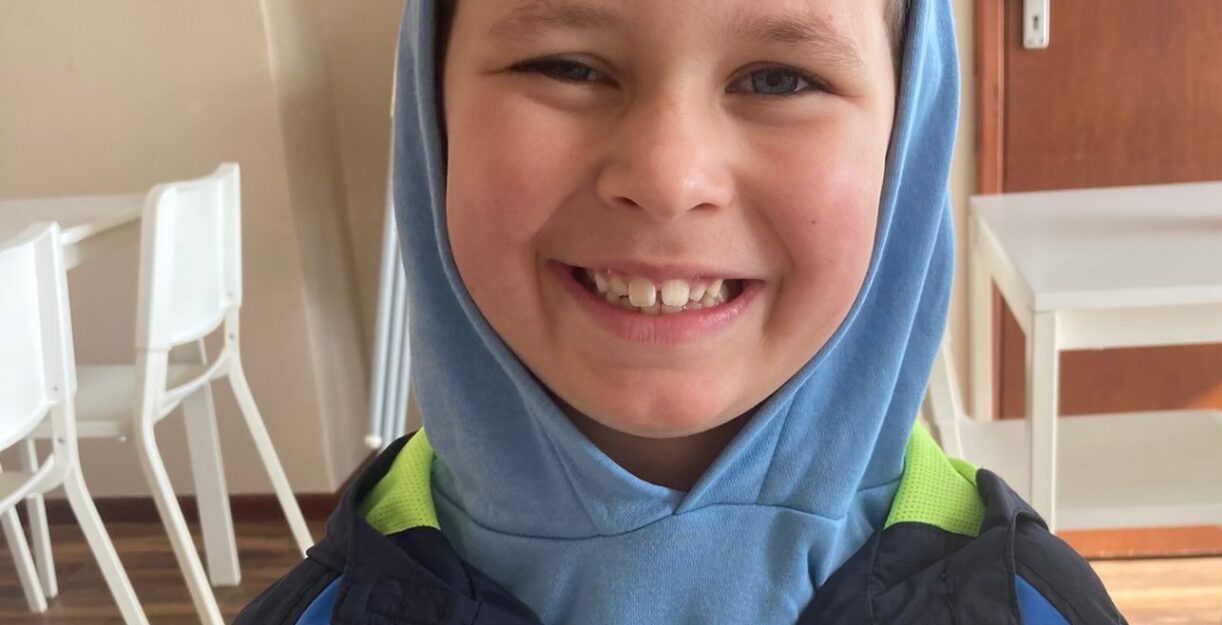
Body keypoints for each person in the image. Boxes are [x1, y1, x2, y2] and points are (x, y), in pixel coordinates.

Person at [237, 0, 1126, 623]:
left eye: (779, 78)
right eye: (567, 65)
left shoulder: (1033, 606)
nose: (667, 176)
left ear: (908, 135)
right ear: (432, 113)